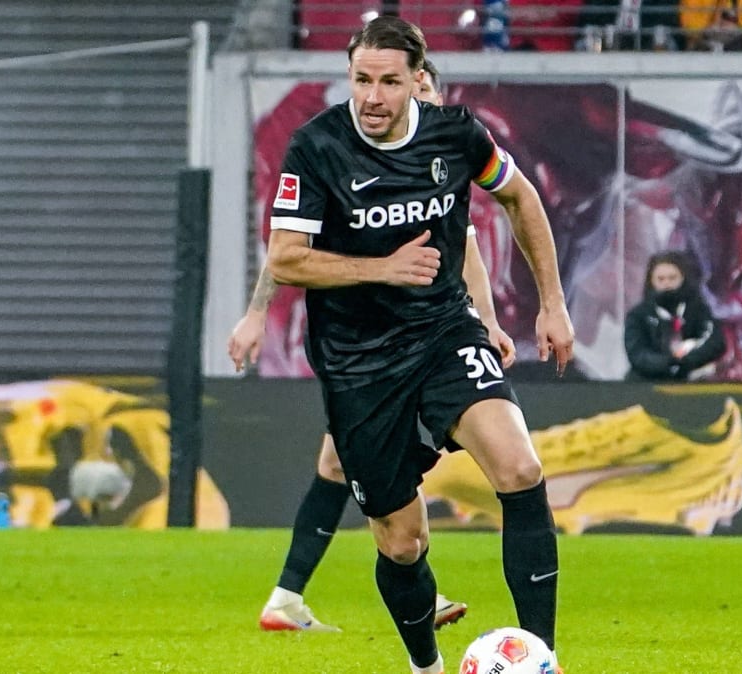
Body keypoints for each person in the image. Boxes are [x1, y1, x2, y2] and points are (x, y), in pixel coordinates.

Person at [265, 16, 573, 674]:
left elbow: (520, 198)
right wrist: (380, 268)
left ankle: (542, 657)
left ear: (416, 81)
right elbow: (286, 258)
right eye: (361, 81)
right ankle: (425, 666)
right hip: (359, 365)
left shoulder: (455, 134)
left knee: (520, 470)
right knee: (403, 542)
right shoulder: (316, 148)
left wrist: (552, 303)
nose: (372, 97)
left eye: (388, 82)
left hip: (441, 333)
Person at [229, 59, 515, 633]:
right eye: (412, 89)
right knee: (346, 463)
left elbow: (468, 253)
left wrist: (487, 322)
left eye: (424, 91)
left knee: (339, 461)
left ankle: (291, 595)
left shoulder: (440, 168)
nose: (416, 101)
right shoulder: (342, 157)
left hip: (423, 342)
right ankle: (329, 591)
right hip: (359, 348)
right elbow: (288, 251)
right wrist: (257, 314)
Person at [624, 251, 726, 381]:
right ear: (651, 281)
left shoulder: (699, 309)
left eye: (672, 278)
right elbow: (637, 354)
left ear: (682, 278)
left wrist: (686, 360)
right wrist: (669, 362)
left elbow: (716, 343)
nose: (667, 284)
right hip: (646, 382)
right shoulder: (638, 315)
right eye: (660, 279)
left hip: (692, 380)